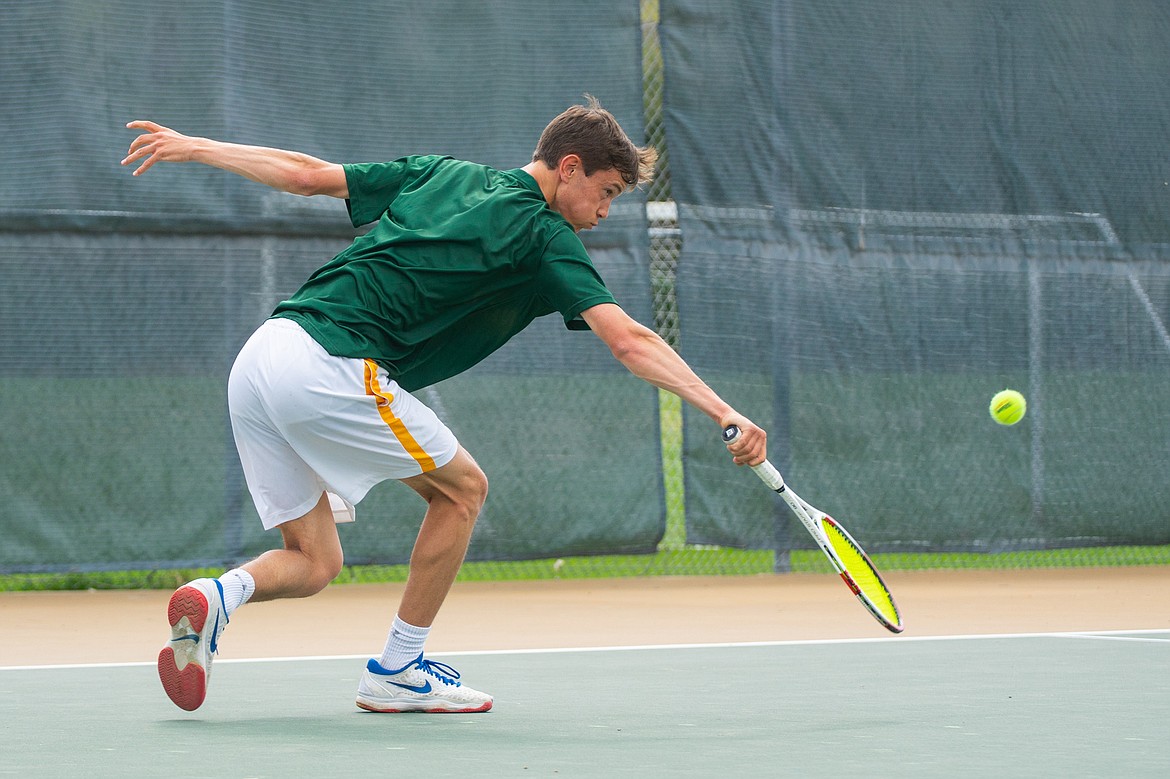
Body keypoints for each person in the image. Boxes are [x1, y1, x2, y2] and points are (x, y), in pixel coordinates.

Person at [121, 97, 767, 714]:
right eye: (605, 192)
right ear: (569, 166)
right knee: (463, 491)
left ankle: (214, 598)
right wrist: (722, 410)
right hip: (330, 361)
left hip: (263, 355)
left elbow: (308, 175)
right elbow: (628, 340)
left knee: (316, 560)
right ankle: (399, 670)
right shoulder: (546, 236)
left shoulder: (442, 173)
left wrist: (197, 146)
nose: (603, 213)